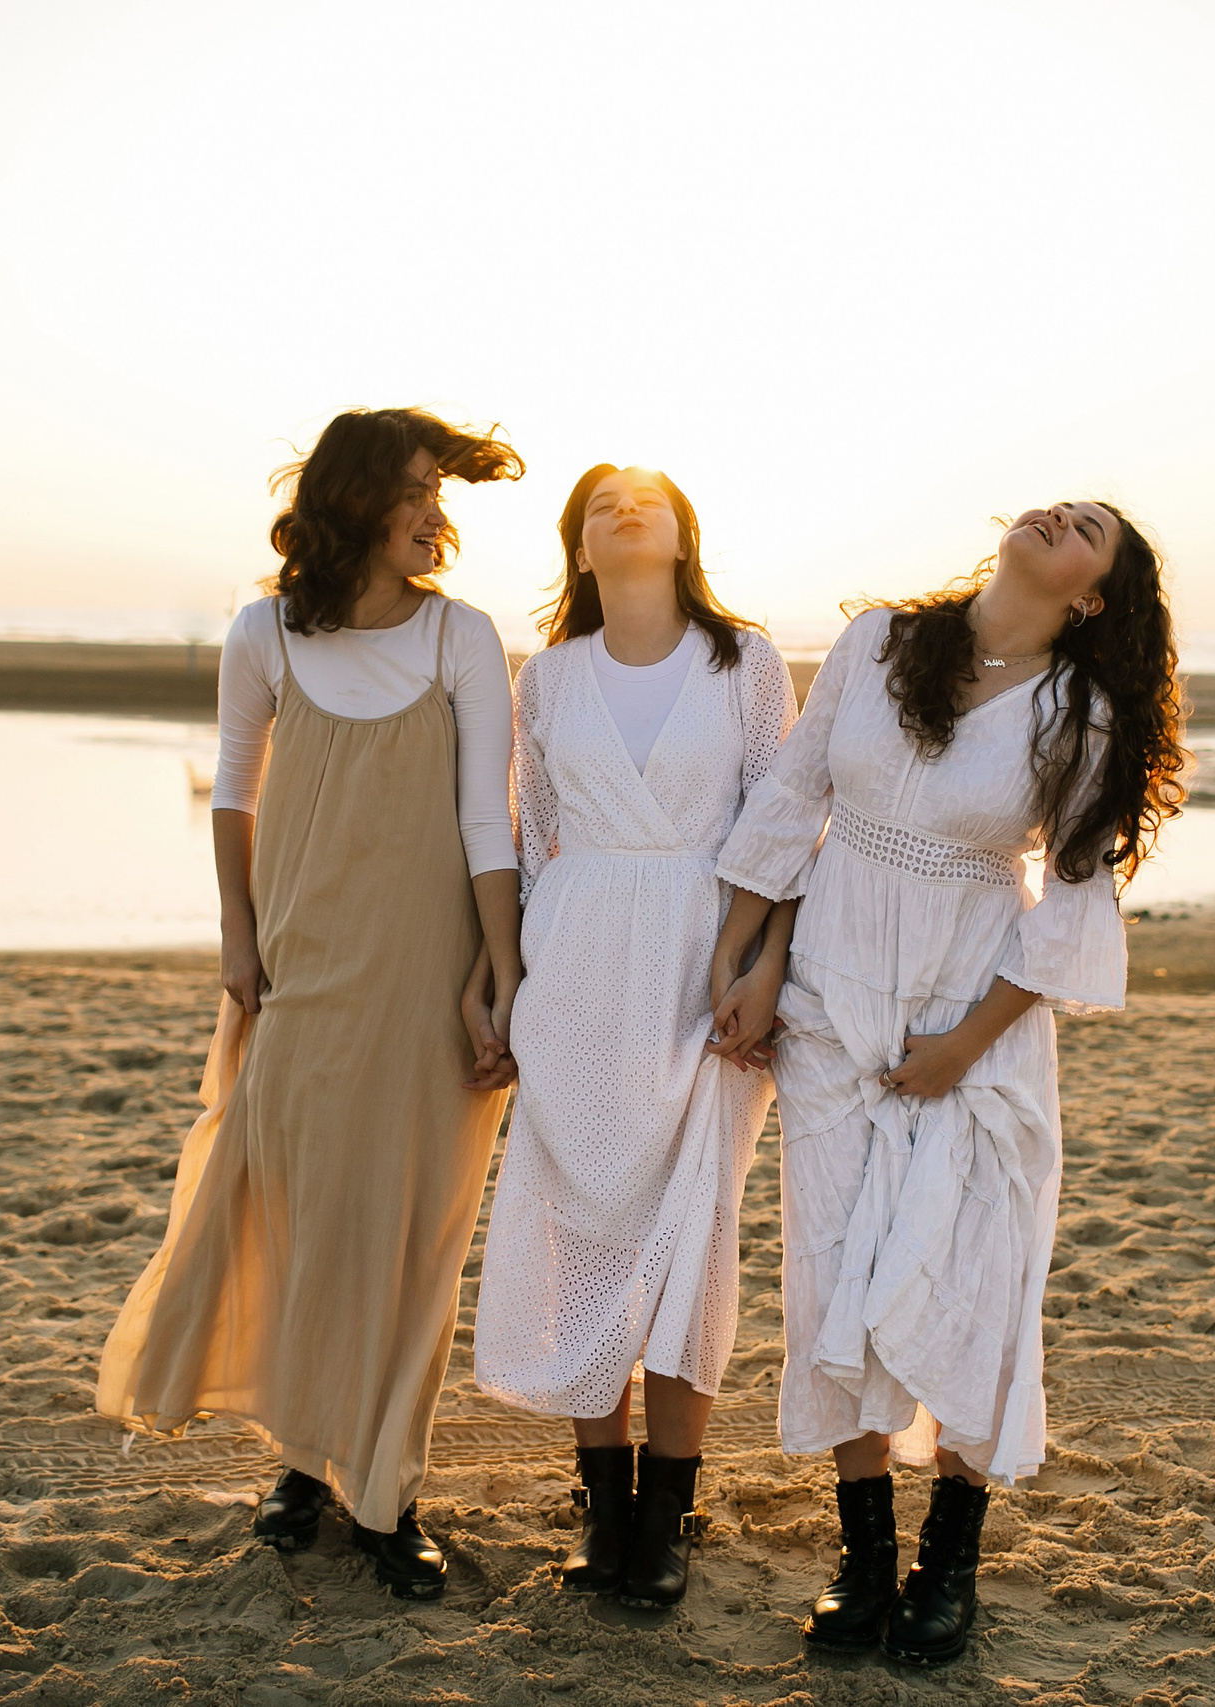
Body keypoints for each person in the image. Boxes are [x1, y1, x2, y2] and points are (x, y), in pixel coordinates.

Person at [709, 500, 1186, 1664]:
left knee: (977, 1275)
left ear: (1092, 598)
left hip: (973, 1012)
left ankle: (947, 1565)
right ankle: (864, 1560)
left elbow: (1071, 905)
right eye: (1061, 505)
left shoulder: (1079, 712)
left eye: (1089, 531)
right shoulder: (880, 642)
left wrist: (965, 1045)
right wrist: (745, 959)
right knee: (833, 1272)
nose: (1061, 515)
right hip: (830, 998)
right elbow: (793, 805)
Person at [96, 406, 526, 1601]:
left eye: (441, 492)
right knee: (298, 1210)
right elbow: (235, 790)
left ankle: (386, 1490)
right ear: (356, 501)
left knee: (406, 1228)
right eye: (417, 491)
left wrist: (501, 972)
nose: (435, 515)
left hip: (425, 970)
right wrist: (236, 937)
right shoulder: (264, 634)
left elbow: (487, 817)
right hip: (299, 962)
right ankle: (302, 1456)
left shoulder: (461, 636)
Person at [468, 464, 798, 1609]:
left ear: (683, 537)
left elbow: (782, 825)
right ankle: (603, 1509)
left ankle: (667, 1515)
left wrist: (765, 968)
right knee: (581, 1233)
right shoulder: (549, 675)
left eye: (646, 497)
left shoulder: (744, 662)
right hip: (576, 967)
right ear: (581, 547)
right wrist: (501, 982)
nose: (625, 504)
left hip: (703, 969)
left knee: (693, 1238)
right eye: (601, 501)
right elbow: (532, 838)